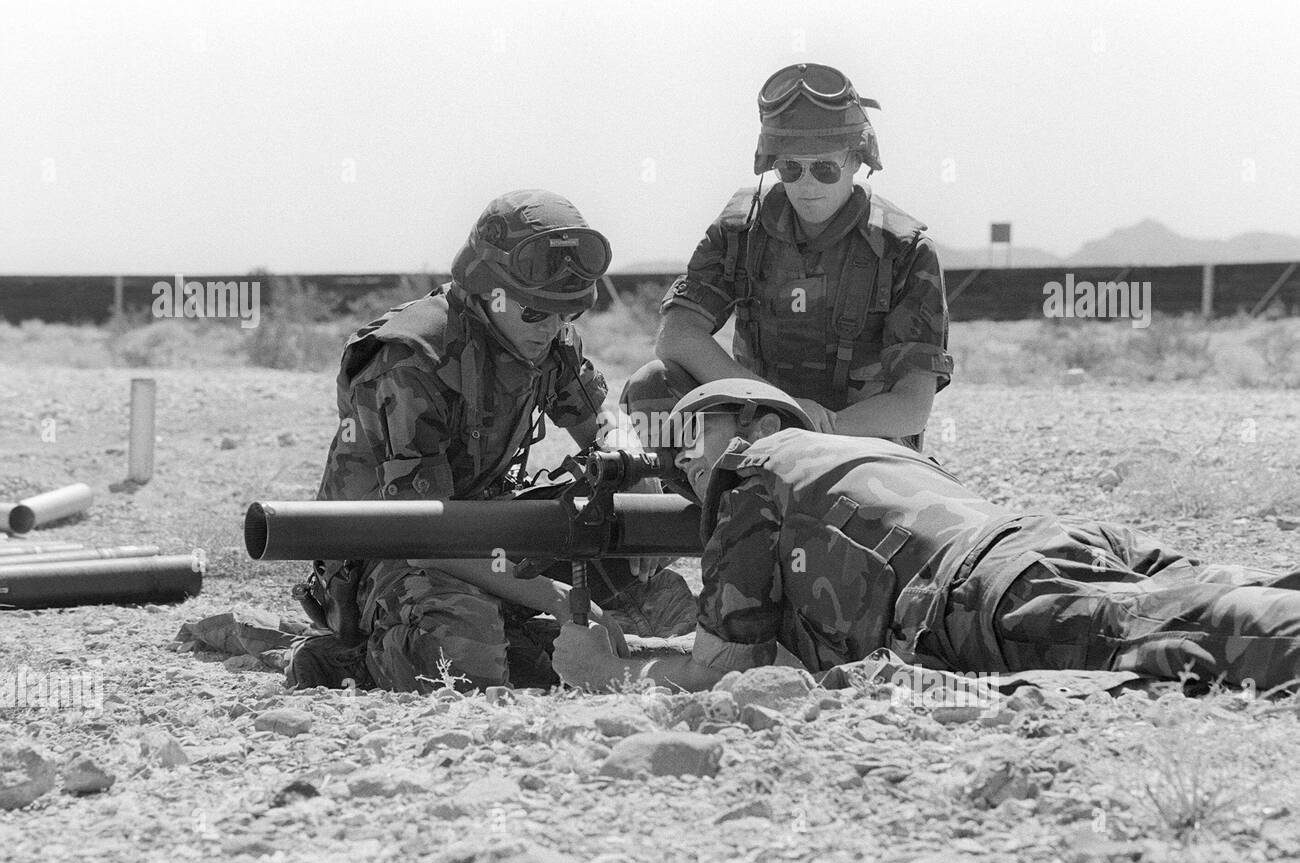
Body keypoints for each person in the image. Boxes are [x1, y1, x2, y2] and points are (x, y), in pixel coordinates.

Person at [552, 379, 1300, 694]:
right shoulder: (874, 457)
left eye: (696, 432)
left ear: (758, 423)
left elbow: (728, 675)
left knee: (1205, 641)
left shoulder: (753, 471)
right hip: (1031, 549)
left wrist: (607, 672)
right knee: (1219, 597)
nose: (685, 458)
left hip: (983, 597)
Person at [288, 189, 694, 693]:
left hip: (483, 532)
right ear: (487, 289)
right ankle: (345, 660)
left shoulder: (543, 335)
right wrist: (558, 597)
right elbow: (424, 538)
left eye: (566, 317)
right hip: (385, 551)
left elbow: (601, 414)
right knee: (464, 653)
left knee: (653, 588)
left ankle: (517, 632)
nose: (550, 330)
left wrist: (630, 459)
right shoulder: (411, 360)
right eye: (535, 314)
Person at [653, 63, 953, 447]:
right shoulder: (741, 229)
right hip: (759, 422)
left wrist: (816, 431)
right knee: (653, 386)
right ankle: (709, 497)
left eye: (825, 168)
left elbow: (911, 406)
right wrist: (780, 409)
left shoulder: (904, 250)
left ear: (857, 162)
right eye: (791, 168)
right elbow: (677, 336)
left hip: (858, 438)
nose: (807, 183)